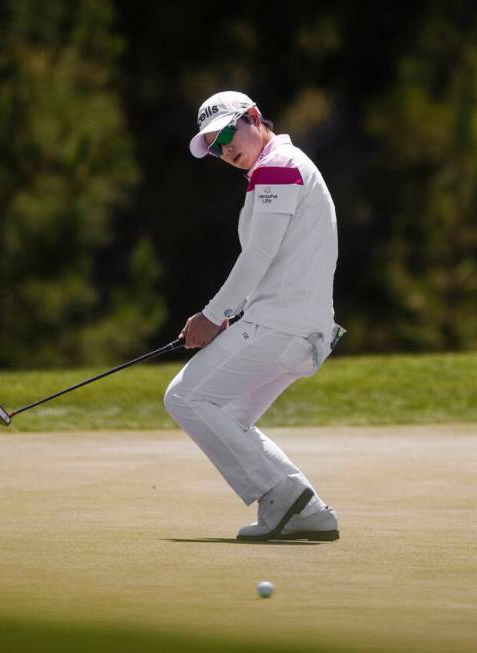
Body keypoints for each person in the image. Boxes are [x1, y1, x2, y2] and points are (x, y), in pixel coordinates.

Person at [163, 90, 345, 541]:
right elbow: (272, 259)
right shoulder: (279, 167)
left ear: (254, 117)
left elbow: (258, 256)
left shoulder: (278, 167)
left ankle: (286, 500)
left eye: (227, 133)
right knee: (226, 415)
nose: (226, 150)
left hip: (283, 326)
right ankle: (307, 510)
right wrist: (230, 314)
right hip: (298, 328)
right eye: (215, 146)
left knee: (185, 397)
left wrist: (213, 315)